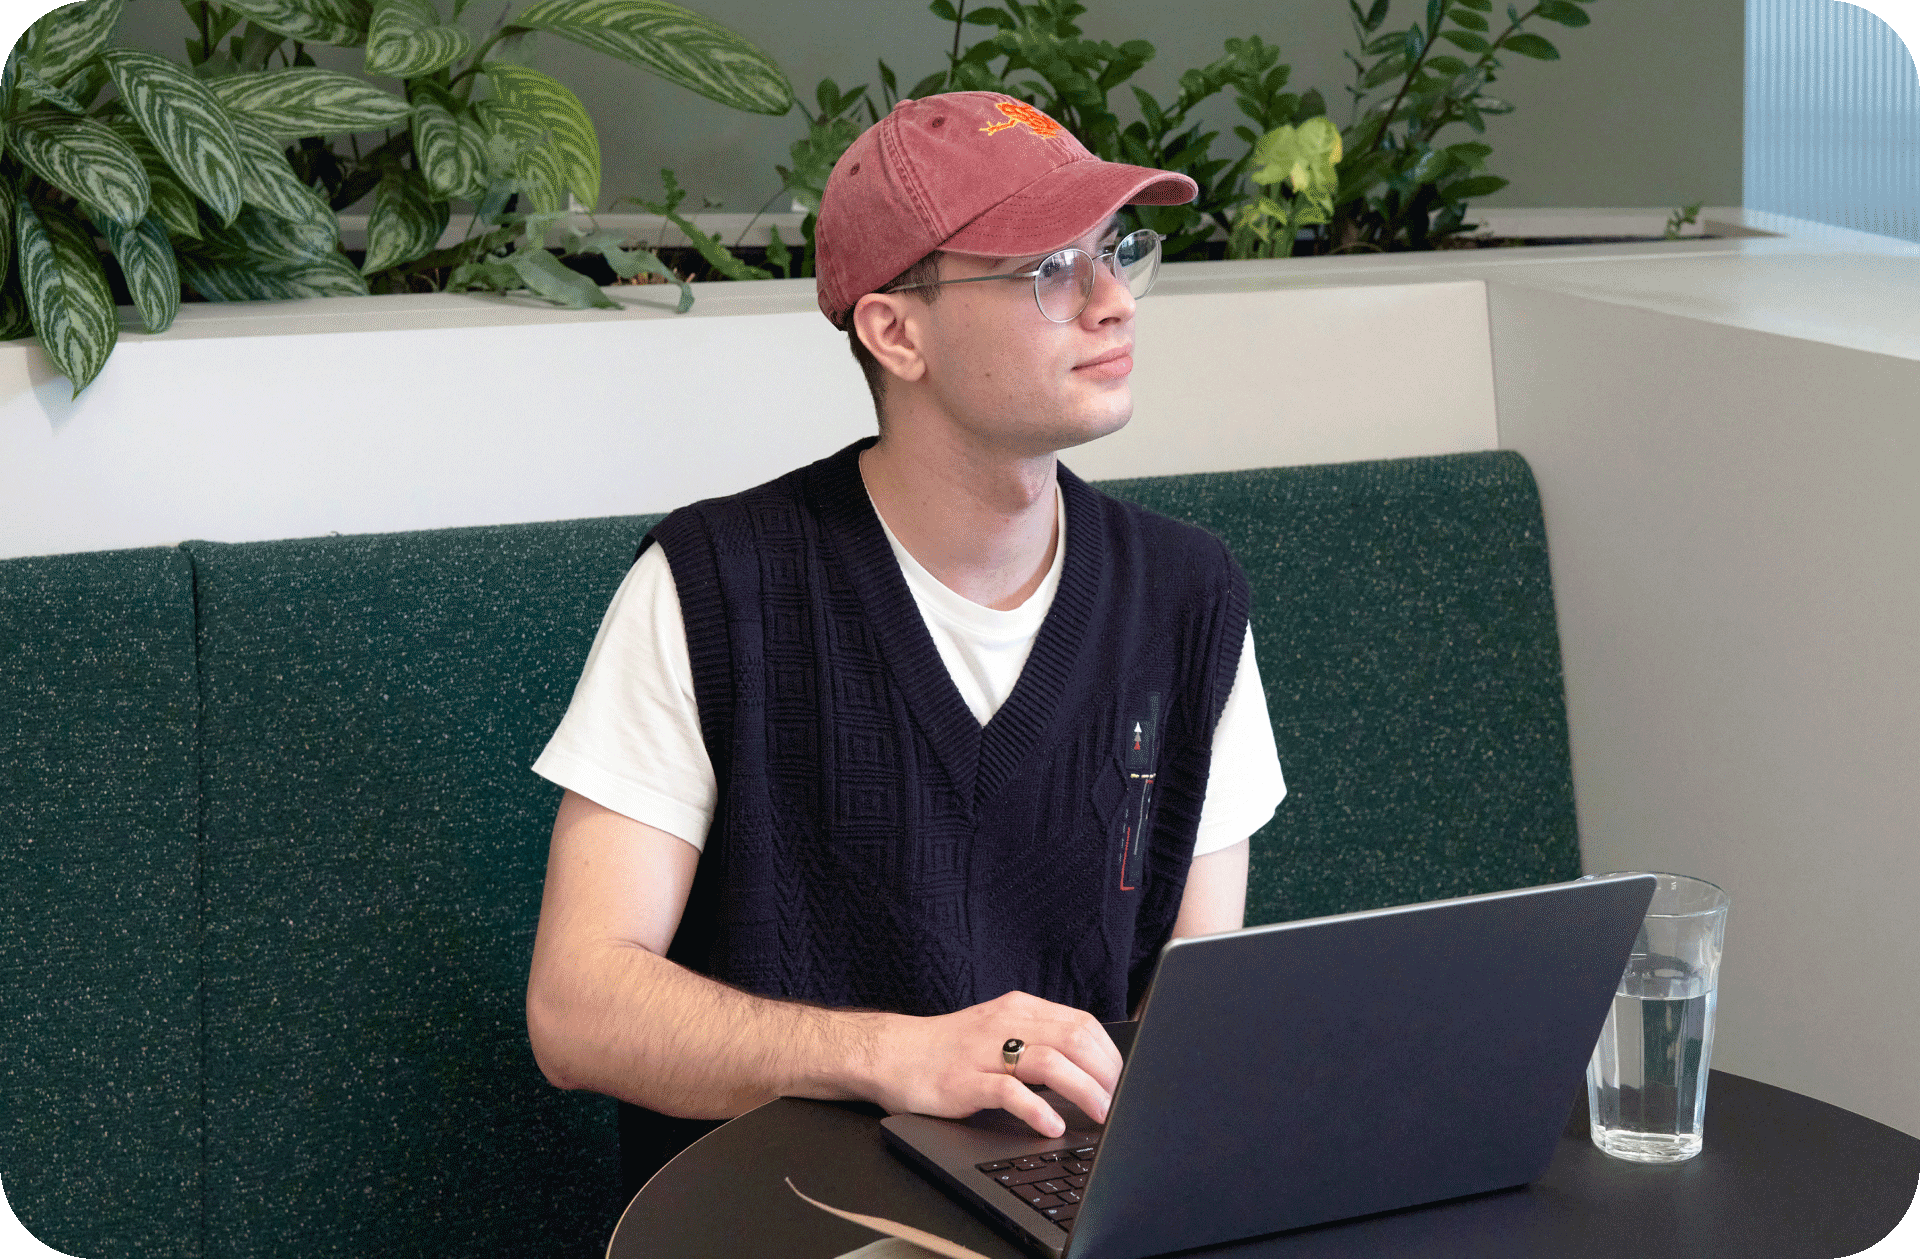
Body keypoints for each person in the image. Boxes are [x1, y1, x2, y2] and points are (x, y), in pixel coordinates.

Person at [524, 91, 1287, 1191]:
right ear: (896, 331)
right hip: (788, 1218)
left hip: (1064, 1206)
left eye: (1115, 251)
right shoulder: (710, 587)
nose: (1113, 301)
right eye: (1049, 270)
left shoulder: (1188, 595)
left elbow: (1192, 1007)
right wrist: (899, 1056)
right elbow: (577, 1007)